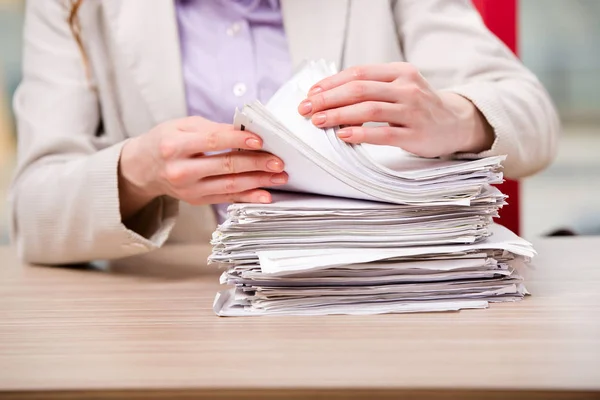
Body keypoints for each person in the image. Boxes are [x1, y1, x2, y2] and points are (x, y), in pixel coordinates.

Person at [9, 0, 559, 264]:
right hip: (178, 322)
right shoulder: (71, 7)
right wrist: (138, 172)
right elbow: (32, 215)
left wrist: (455, 117)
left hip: (381, 295)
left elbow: (533, 115)